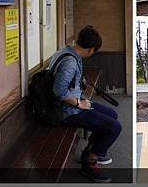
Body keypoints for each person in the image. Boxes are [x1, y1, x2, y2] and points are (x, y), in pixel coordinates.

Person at [50, 25, 122, 183]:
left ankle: (89, 151)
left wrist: (81, 99)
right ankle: (90, 163)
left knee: (112, 115)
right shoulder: (70, 62)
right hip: (66, 112)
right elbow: (59, 91)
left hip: (71, 104)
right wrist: (79, 103)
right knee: (114, 127)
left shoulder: (66, 52)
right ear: (91, 49)